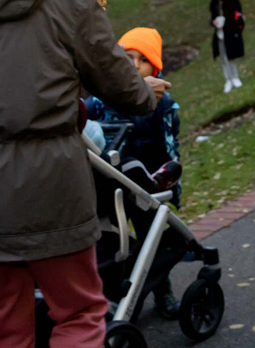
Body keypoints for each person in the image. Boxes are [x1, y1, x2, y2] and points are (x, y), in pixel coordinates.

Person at [0, 0, 170, 348]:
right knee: (79, 311)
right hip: (53, 181)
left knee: (2, 324)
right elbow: (125, 91)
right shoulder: (70, 0)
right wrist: (146, 90)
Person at [84, 26, 183, 318]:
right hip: (110, 180)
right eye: (127, 58)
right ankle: (120, 292)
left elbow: (170, 145)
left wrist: (172, 185)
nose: (135, 66)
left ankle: (162, 291)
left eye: (142, 60)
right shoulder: (101, 101)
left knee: (151, 237)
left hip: (147, 183)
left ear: (155, 66)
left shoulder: (162, 103)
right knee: (116, 240)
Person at [211, 0, 245, 93]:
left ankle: (235, 77)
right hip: (219, 35)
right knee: (223, 58)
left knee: (230, 57)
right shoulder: (215, 5)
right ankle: (228, 79)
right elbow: (212, 17)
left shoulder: (231, 2)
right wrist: (214, 22)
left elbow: (236, 16)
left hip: (229, 34)